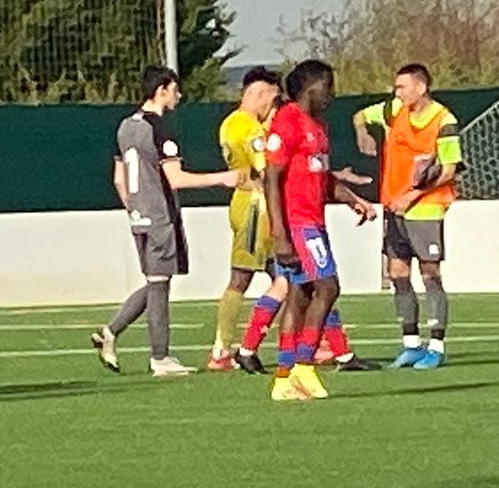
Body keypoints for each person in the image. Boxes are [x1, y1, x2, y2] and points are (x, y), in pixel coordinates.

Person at [91, 67, 241, 377]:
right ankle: (160, 357)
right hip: (159, 215)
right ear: (161, 90)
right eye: (175, 89)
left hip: (138, 216)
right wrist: (223, 178)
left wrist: (135, 208)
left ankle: (111, 331)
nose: (178, 95)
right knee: (159, 285)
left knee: (157, 281)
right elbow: (175, 178)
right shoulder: (159, 129)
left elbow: (119, 179)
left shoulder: (124, 127)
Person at [265, 59, 377, 402]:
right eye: (328, 86)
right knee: (328, 287)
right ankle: (304, 367)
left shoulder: (318, 127)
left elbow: (321, 177)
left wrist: (350, 198)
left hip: (313, 220)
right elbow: (270, 179)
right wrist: (279, 233)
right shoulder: (287, 122)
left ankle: (283, 379)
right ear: (310, 88)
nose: (332, 94)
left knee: (300, 295)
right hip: (298, 222)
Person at [355, 63, 464, 368]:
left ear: (421, 87)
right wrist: (363, 133)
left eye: (402, 87)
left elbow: (448, 169)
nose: (397, 92)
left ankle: (437, 346)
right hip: (394, 207)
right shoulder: (393, 111)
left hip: (426, 206)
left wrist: (412, 195)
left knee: (430, 273)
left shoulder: (444, 120)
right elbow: (360, 114)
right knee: (397, 273)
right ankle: (411, 344)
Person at [210, 66, 281, 370]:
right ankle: (222, 350)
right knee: (246, 277)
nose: (273, 108)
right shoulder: (251, 129)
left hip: (240, 201)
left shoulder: (228, 124)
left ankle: (314, 339)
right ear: (261, 94)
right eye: (273, 100)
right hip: (256, 206)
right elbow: (267, 171)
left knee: (283, 275)